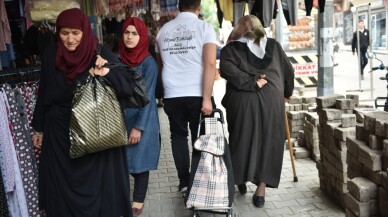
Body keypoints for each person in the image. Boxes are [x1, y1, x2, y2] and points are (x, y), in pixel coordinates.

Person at [31, 8, 133, 217]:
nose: (70, 39)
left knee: (99, 194)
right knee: (62, 195)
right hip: (60, 138)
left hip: (94, 136)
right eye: (64, 33)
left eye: (75, 33)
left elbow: (127, 87)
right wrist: (38, 128)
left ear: (85, 31)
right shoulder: (51, 54)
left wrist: (105, 72)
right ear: (57, 32)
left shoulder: (100, 52)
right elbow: (44, 93)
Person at [219, 15, 294, 208]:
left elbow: (226, 70)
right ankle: (260, 191)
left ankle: (240, 179)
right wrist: (286, 94)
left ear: (238, 30)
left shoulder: (230, 49)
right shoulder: (274, 46)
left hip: (242, 102)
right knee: (269, 141)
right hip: (272, 99)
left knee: (241, 138)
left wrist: (249, 81)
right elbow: (289, 71)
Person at [155, 0, 217, 197]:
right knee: (201, 138)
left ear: (178, 7)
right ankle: (199, 182)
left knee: (178, 137)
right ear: (198, 8)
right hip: (197, 94)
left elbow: (161, 66)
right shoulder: (204, 28)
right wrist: (207, 99)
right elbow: (210, 65)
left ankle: (184, 182)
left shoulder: (163, 31)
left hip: (172, 93)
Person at [118, 17, 161, 216]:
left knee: (140, 162)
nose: (129, 37)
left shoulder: (148, 63)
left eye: (134, 33)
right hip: (121, 118)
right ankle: (123, 198)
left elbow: (149, 97)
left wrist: (138, 127)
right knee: (124, 162)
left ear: (142, 36)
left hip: (142, 118)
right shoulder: (118, 59)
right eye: (127, 32)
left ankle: (138, 200)